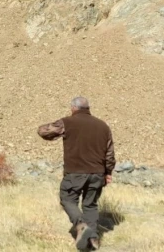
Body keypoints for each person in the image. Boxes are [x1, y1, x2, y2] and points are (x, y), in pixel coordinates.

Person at [38, 97, 116, 251]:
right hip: (97, 173)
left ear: (73, 108)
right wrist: (108, 173)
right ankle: (92, 239)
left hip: (75, 172)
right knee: (91, 205)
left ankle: (80, 225)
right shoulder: (103, 126)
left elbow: (43, 132)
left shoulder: (67, 122)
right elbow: (110, 154)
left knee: (67, 198)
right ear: (88, 108)